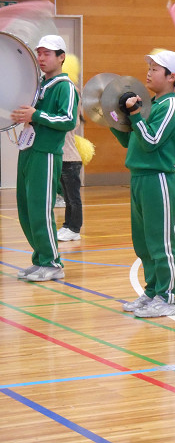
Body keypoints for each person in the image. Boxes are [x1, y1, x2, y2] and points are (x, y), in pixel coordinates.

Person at [114, 50, 175, 318]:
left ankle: (168, 297)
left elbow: (151, 141)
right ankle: (153, 290)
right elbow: (130, 140)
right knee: (143, 242)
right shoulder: (149, 105)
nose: (149, 72)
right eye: (150, 68)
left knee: (160, 241)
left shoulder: (169, 107)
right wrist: (116, 119)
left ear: (171, 77)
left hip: (158, 180)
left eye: (156, 69)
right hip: (139, 178)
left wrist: (134, 115)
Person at [11, 35, 78, 282]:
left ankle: (52, 263)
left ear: (61, 57)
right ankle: (40, 259)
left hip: (47, 153)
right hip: (28, 149)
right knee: (26, 208)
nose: (41, 58)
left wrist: (36, 115)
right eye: (39, 53)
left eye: (47, 53)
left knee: (41, 208)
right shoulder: (38, 83)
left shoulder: (65, 86)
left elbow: (68, 120)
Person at [57, 55, 84, 242]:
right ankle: (68, 225)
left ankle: (75, 229)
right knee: (67, 197)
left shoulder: (71, 90)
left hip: (70, 157)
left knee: (73, 197)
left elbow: (73, 123)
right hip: (62, 155)